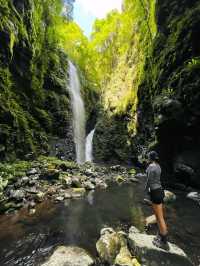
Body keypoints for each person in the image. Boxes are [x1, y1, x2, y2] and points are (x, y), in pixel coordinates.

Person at [145, 151, 169, 249]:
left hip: (155, 193)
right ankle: (160, 235)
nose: (147, 159)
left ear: (151, 158)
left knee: (159, 217)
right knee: (158, 216)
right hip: (160, 191)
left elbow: (149, 180)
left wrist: (146, 190)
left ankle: (164, 242)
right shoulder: (158, 166)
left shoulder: (150, 167)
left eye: (148, 157)